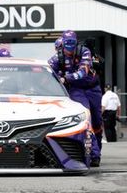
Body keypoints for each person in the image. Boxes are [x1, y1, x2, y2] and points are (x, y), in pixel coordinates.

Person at [48, 30, 103, 167]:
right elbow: (47, 72)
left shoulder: (84, 52)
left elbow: (82, 73)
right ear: (61, 45)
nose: (69, 47)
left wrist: (65, 77)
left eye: (72, 43)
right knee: (86, 118)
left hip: (93, 88)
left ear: (76, 42)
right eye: (67, 44)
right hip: (76, 90)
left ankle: (97, 150)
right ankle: (94, 155)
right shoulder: (56, 59)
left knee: (97, 121)